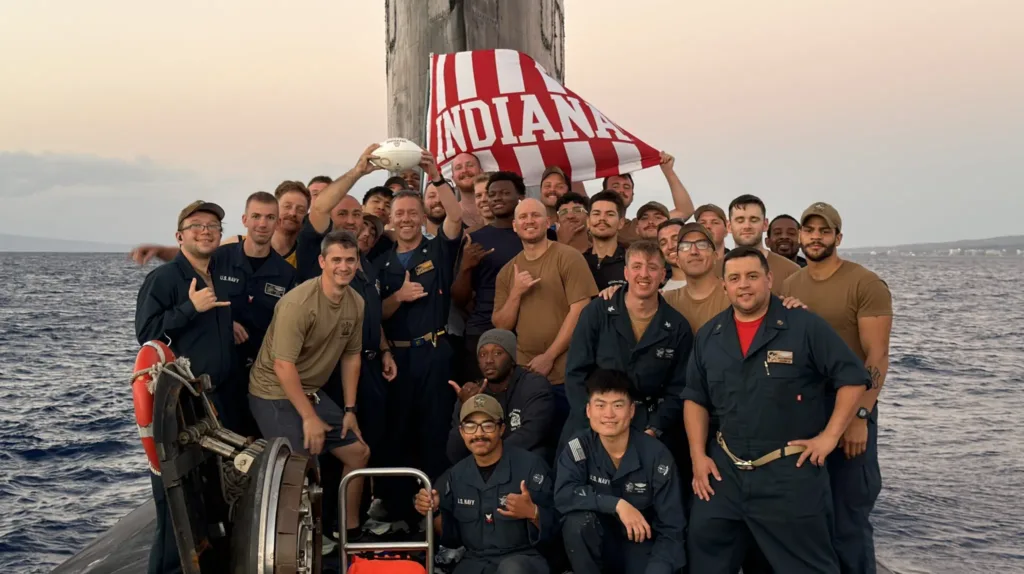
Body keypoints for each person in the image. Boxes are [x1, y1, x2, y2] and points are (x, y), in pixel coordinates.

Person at [682, 246, 871, 573]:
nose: (744, 285)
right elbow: (695, 399)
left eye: (753, 276)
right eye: (735, 278)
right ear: (723, 285)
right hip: (723, 474)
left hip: (789, 475)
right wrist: (698, 457)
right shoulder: (710, 336)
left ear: (769, 279)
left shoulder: (804, 326)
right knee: (703, 556)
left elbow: (853, 379)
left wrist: (829, 437)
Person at [782, 202, 892, 573]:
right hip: (805, 411)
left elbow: (876, 357)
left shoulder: (865, 283)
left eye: (823, 231)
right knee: (809, 516)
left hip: (850, 410)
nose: (815, 237)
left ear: (838, 237)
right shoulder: (790, 284)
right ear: (800, 236)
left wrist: (861, 415)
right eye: (809, 230)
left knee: (849, 518)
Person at [247, 230, 371, 541]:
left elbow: (352, 357)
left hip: (312, 392)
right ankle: (301, 548)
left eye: (350, 260)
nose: (344, 267)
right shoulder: (298, 303)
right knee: (301, 470)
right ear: (322, 262)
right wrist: (308, 417)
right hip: (273, 391)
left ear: (358, 263)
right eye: (336, 260)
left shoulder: (356, 301)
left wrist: (350, 410)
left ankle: (349, 534)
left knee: (359, 453)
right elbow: (283, 366)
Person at [134, 200, 234, 574]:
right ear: (179, 236)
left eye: (212, 226)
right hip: (180, 407)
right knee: (176, 500)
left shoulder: (218, 274)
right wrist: (190, 308)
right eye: (196, 225)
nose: (205, 230)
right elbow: (146, 337)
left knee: (208, 494)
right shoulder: (163, 280)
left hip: (215, 402)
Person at [376, 151, 464, 521]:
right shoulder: (378, 262)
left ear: (423, 216)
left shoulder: (437, 250)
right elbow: (373, 315)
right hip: (394, 360)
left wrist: (436, 176)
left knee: (433, 435)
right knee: (395, 434)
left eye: (413, 213)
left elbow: (456, 216)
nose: (407, 219)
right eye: (400, 215)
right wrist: (398, 297)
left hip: (433, 352)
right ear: (391, 221)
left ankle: (436, 517)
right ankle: (397, 514)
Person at [562, 240, 692, 452]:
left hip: (648, 426)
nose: (644, 274)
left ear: (663, 275)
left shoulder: (678, 327)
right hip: (592, 423)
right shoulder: (596, 313)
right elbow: (575, 373)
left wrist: (655, 427)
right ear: (626, 272)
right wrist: (595, 420)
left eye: (652, 268)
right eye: (637, 266)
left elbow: (678, 388)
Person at [555, 369, 686, 574]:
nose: (609, 414)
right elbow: (564, 495)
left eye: (618, 405)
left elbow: (672, 529)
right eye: (600, 405)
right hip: (597, 544)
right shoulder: (578, 447)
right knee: (576, 522)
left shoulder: (656, 455)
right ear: (588, 410)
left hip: (642, 546)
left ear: (631, 410)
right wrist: (617, 504)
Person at [492, 198, 598, 441]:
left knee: (570, 448)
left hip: (568, 376)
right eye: (523, 217)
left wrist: (549, 356)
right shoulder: (508, 272)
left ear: (548, 222)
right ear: (515, 226)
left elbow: (580, 310)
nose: (530, 221)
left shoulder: (568, 257)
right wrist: (516, 293)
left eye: (536, 215)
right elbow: (502, 326)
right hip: (526, 379)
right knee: (531, 447)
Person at [414, 394, 556, 574]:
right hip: (475, 560)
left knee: (511, 570)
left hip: (525, 560)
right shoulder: (457, 475)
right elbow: (452, 539)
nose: (479, 434)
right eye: (471, 426)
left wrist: (533, 513)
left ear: (501, 429)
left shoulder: (530, 466)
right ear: (462, 432)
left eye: (487, 426)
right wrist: (433, 510)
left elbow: (559, 528)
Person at [451, 171, 529, 383]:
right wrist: (466, 267)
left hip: (527, 332)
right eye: (492, 194)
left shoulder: (537, 235)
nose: (496, 198)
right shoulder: (474, 240)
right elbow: (459, 299)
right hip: (483, 331)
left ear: (520, 196)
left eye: (504, 193)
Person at [446, 329, 554, 464]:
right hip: (481, 466)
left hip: (521, 463)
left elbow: (533, 434)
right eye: (482, 354)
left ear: (512, 359)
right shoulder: (472, 393)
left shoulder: (534, 385)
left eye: (497, 353)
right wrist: (466, 406)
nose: (489, 360)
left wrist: (489, 455)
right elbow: (454, 453)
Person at [602, 152, 696, 244]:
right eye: (615, 186)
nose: (621, 190)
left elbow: (685, 210)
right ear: (603, 192)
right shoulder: (591, 219)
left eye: (626, 187)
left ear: (632, 196)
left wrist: (668, 171)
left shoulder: (640, 226)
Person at [662, 222, 733, 333]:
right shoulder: (667, 301)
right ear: (678, 261)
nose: (694, 251)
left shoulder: (733, 295)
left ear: (715, 256)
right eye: (685, 246)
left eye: (702, 244)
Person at [724, 194, 800, 291]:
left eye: (754, 220)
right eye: (740, 220)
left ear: (765, 224)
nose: (747, 226)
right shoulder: (715, 270)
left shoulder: (791, 271)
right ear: (729, 226)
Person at [583, 190, 628, 291]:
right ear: (588, 222)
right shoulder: (578, 262)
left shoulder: (631, 262)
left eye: (610, 214)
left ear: (621, 223)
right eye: (596, 214)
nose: (602, 218)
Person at [450, 151, 487, 229]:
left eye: (470, 165)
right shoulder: (450, 215)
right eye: (458, 168)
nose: (464, 170)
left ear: (481, 172)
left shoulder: (498, 207)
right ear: (453, 178)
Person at [656, 218, 686, 291]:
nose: (670, 246)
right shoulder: (661, 296)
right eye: (663, 243)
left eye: (676, 239)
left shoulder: (715, 281)